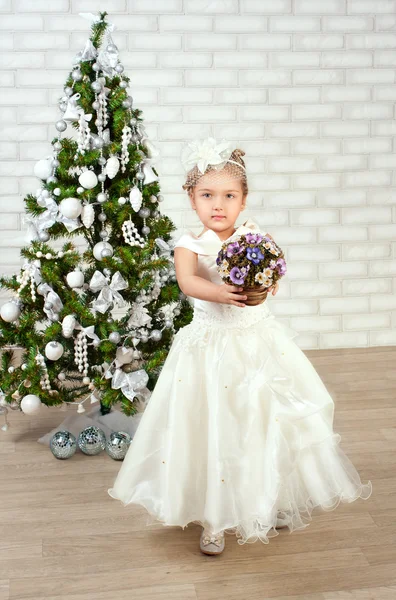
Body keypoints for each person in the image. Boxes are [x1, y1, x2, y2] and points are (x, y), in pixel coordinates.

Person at [108, 137, 372, 556]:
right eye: (207, 195)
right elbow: (189, 282)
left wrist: (264, 288)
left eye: (229, 196)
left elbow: (270, 273)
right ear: (191, 199)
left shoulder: (253, 237)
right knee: (213, 426)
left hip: (256, 342)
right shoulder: (188, 245)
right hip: (208, 347)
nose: (218, 205)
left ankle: (268, 499)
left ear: (244, 200)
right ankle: (214, 519)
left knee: (263, 419)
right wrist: (222, 293)